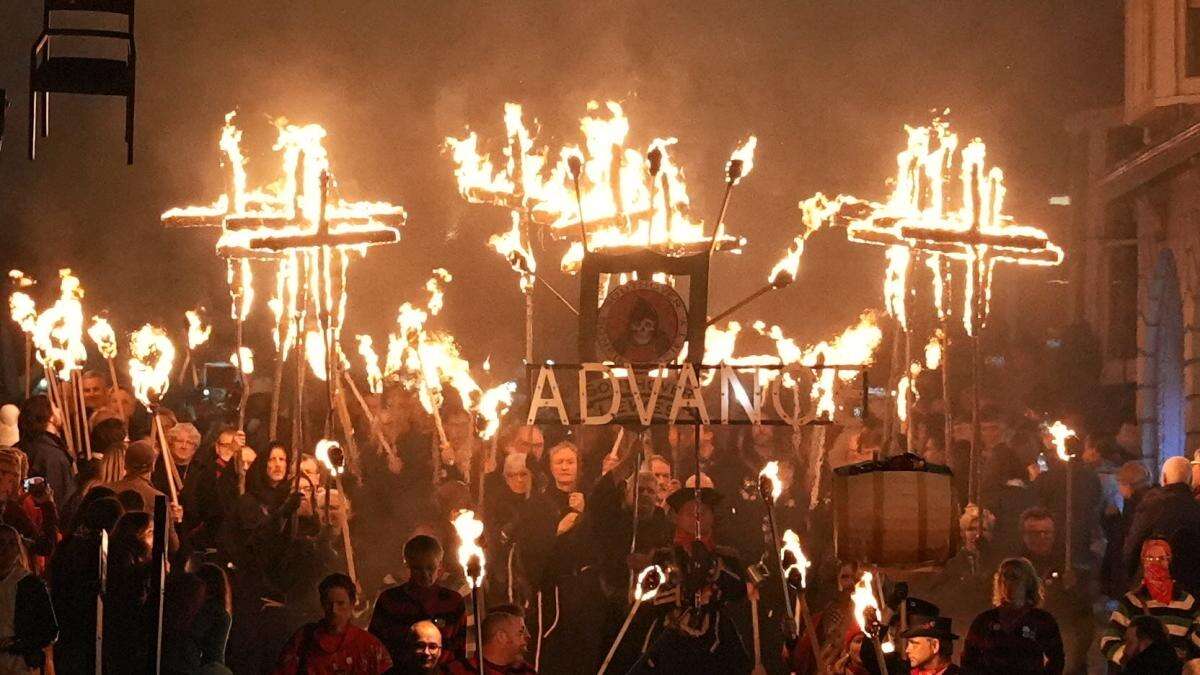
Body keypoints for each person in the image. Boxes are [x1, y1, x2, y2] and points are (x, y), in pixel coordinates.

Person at [629, 484, 749, 673]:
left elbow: (739, 592)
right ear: (677, 518)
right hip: (671, 639)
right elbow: (646, 599)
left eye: (702, 512)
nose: (696, 517)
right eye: (688, 512)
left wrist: (712, 569)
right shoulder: (662, 556)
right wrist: (680, 593)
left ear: (712, 517)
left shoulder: (726, 556)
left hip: (716, 642)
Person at [370, 535, 467, 666]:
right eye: (418, 568)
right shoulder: (390, 601)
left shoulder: (453, 602)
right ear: (408, 564)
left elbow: (459, 650)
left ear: (440, 565)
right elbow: (376, 647)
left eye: (430, 568)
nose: (425, 575)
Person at [1100, 538, 1200, 666]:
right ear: (1143, 562)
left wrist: (1186, 658)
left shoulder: (1187, 602)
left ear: (1169, 561)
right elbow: (1108, 641)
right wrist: (1133, 661)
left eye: (1162, 558)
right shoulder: (1132, 601)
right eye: (1150, 558)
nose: (1155, 563)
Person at [274, 573, 393, 674]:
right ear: (322, 604)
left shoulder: (370, 646)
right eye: (329, 604)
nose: (334, 610)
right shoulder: (304, 640)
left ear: (352, 604)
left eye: (340, 604)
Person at [962, 557, 1064, 674]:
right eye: (1005, 577)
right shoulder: (985, 621)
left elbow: (1056, 659)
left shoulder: (1042, 621)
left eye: (1015, 577)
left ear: (1028, 582)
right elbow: (968, 660)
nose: (1009, 582)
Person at [1125, 456, 1200, 594]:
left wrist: (1129, 577)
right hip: (1191, 587)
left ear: (1164, 478)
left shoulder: (1152, 506)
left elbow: (1134, 543)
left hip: (1154, 585)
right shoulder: (1196, 508)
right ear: (1190, 481)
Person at [0, 525, 56, 672]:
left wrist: (18, 643)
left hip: (21, 665)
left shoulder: (30, 585)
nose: (5, 549)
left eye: (11, 544)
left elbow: (49, 629)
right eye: (1, 543)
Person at [15, 395, 74, 503]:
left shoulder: (16, 450)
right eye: (55, 407)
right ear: (50, 417)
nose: (59, 410)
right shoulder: (53, 456)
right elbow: (59, 497)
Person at [446, 606, 534, 675]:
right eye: (520, 633)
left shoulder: (525, 671)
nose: (528, 637)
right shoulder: (460, 671)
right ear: (501, 637)